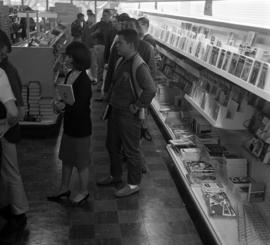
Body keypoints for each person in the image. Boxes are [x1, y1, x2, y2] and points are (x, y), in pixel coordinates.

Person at [97, 29, 156, 197]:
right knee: (112, 145)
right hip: (116, 112)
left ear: (130, 44)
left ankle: (133, 184)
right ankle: (115, 176)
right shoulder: (121, 61)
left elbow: (151, 89)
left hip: (129, 116)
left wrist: (138, 106)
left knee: (131, 150)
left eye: (120, 42)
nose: (116, 45)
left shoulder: (139, 65)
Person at [47, 42, 92, 205]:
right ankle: (64, 188)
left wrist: (63, 107)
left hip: (81, 128)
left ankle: (84, 191)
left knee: (81, 162)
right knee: (67, 159)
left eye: (69, 56)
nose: (66, 59)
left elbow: (79, 108)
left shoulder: (84, 81)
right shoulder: (70, 74)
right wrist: (58, 103)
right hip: (70, 125)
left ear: (76, 58)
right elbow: (66, 97)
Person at [0, 30, 28, 242]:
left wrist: (4, 126)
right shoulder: (6, 69)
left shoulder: (5, 72)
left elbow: (18, 110)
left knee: (11, 171)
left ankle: (19, 212)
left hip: (7, 131)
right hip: (8, 129)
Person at [82, 9, 98, 83]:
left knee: (94, 63)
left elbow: (97, 37)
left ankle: (94, 78)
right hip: (86, 47)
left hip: (93, 47)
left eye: (91, 17)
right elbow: (83, 36)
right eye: (89, 17)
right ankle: (90, 77)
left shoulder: (96, 27)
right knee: (87, 62)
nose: (90, 19)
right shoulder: (85, 26)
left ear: (94, 18)